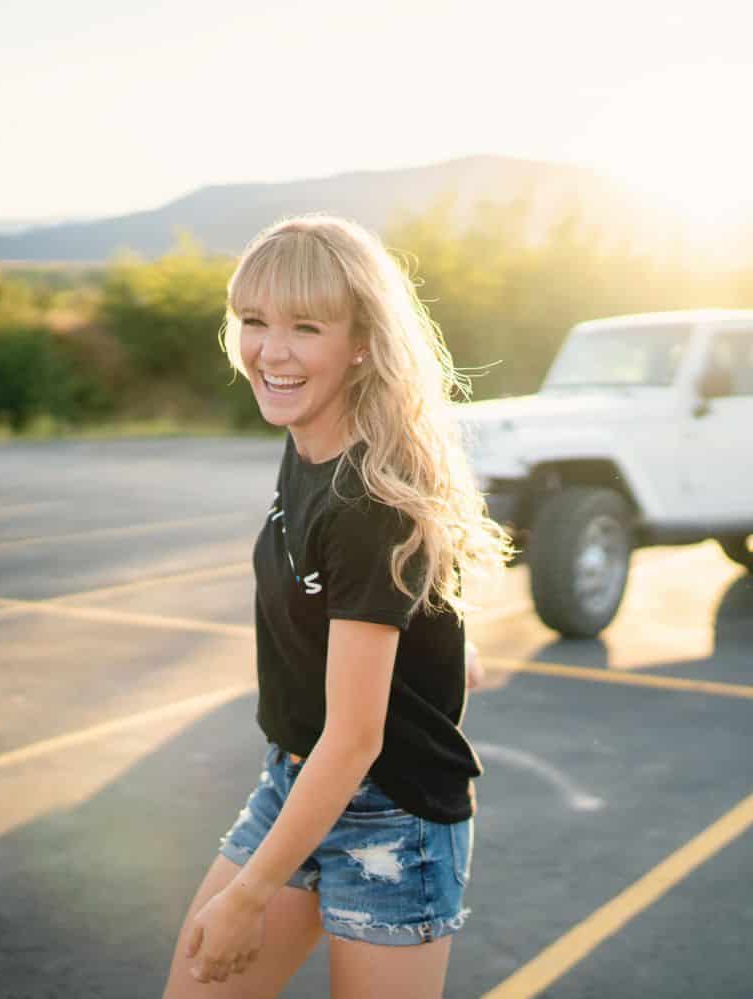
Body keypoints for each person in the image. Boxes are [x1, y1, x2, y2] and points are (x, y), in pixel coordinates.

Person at [161, 214, 513, 998]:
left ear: (361, 341)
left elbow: (356, 737)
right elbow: (388, 592)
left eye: (305, 326)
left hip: (393, 819)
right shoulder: (312, 436)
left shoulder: (365, 501)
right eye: (254, 321)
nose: (271, 351)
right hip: (294, 781)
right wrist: (448, 652)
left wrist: (249, 895)